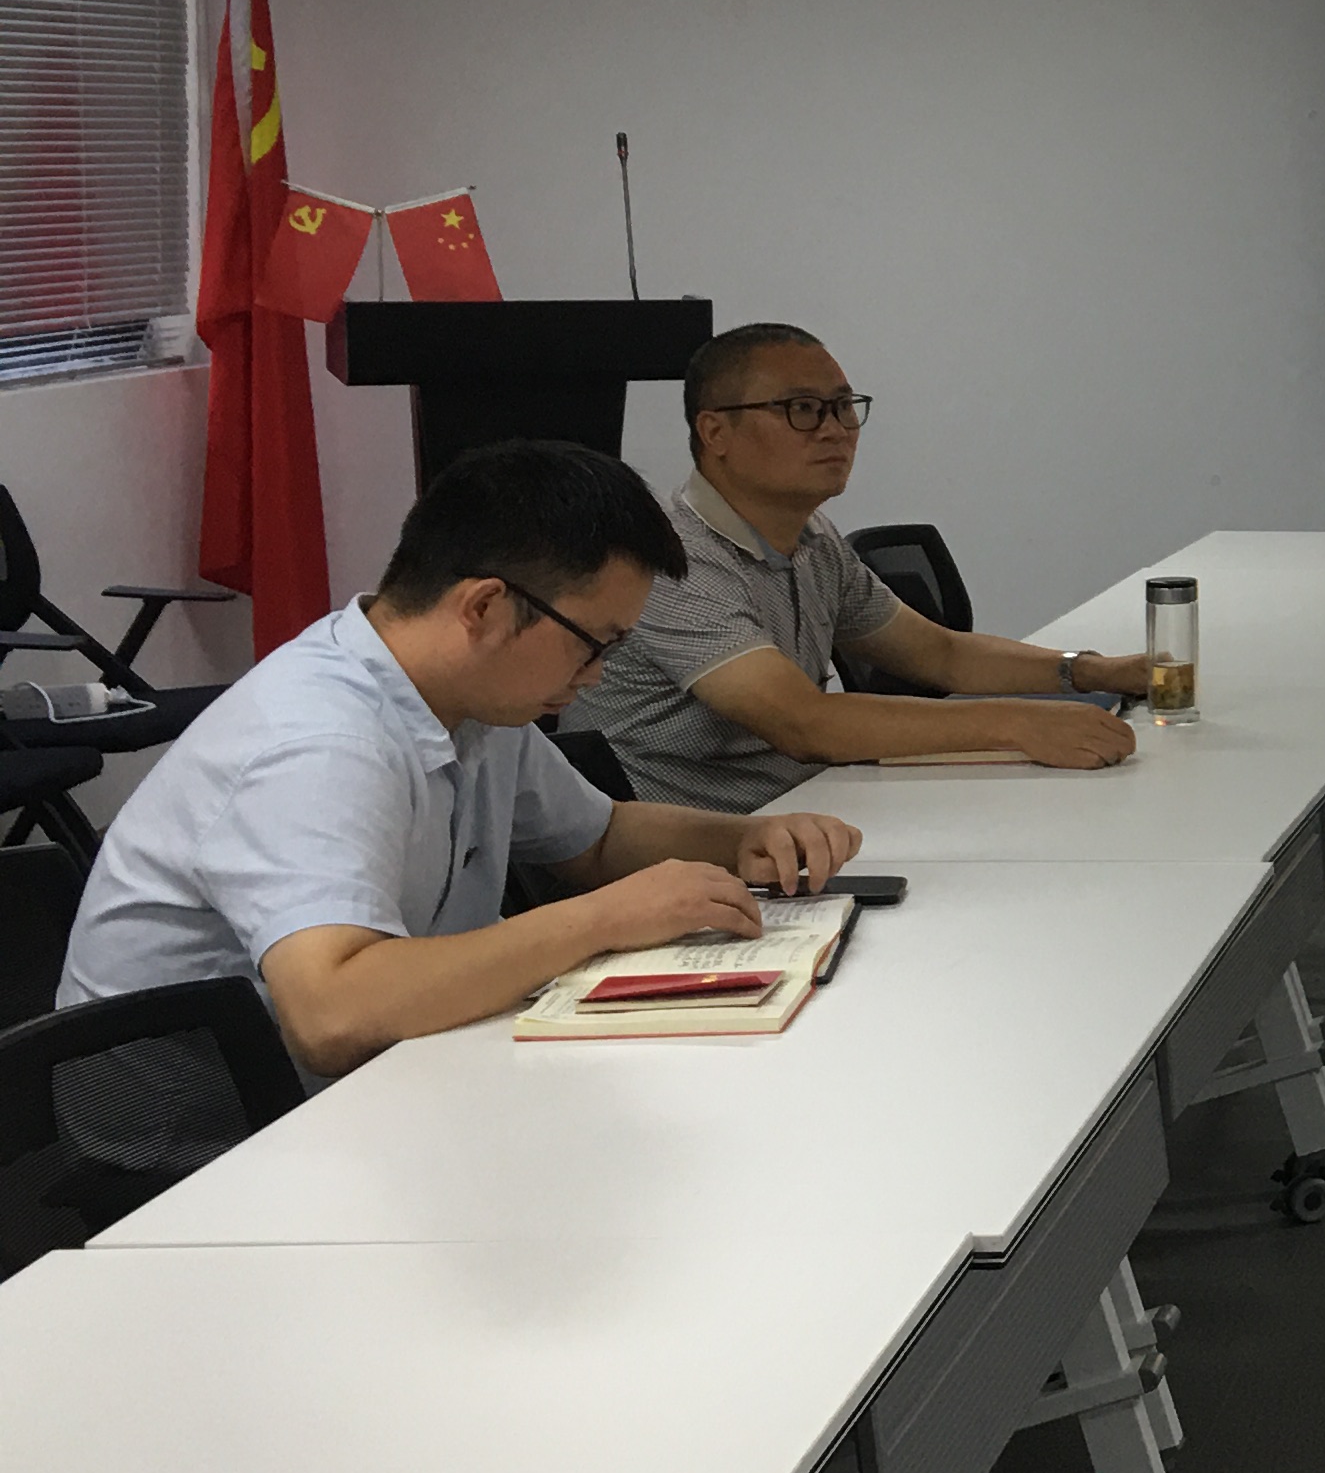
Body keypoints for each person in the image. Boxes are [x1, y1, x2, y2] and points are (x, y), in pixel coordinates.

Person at [53, 440, 864, 1178]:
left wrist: (747, 838)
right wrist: (606, 919)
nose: (598, 676)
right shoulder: (317, 742)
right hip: (209, 1152)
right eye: (597, 643)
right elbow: (333, 1014)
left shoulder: (469, 697)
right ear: (484, 608)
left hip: (376, 1084)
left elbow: (597, 838)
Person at [570, 321, 1150, 812]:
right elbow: (804, 723)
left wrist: (1099, 672)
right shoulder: (674, 559)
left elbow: (942, 655)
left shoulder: (813, 538)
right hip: (699, 856)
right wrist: (1018, 724)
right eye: (801, 409)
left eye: (844, 407)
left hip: (810, 815)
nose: (835, 430)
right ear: (715, 431)